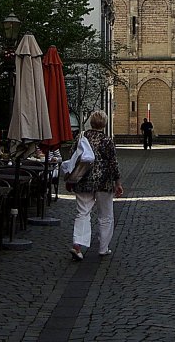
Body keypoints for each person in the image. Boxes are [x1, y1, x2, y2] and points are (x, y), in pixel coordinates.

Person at [68, 110, 124, 260]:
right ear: (104, 124)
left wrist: (70, 179)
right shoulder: (106, 140)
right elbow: (113, 164)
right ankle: (103, 248)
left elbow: (72, 158)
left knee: (82, 213)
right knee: (105, 215)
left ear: (91, 122)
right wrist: (118, 182)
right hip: (103, 183)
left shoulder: (81, 137)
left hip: (83, 181)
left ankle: (78, 245)